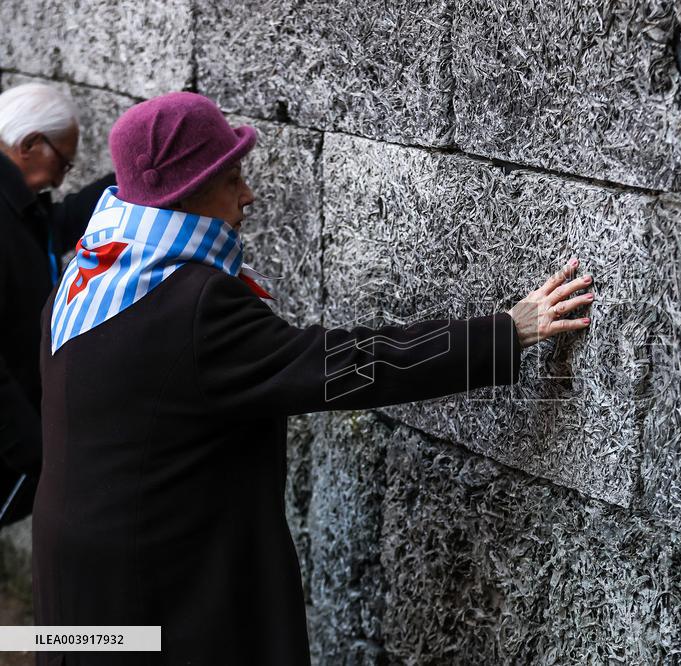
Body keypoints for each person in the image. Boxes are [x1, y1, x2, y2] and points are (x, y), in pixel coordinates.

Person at [33, 91, 594, 665]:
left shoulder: (91, 269)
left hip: (72, 581)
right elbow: (345, 366)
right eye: (232, 180)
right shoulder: (192, 308)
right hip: (156, 589)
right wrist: (504, 332)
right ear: (188, 194)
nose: (247, 196)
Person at [0, 83, 114, 527]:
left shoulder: (18, 207)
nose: (62, 177)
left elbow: (53, 228)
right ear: (30, 145)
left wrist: (134, 171)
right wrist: (39, 456)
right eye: (62, 162)